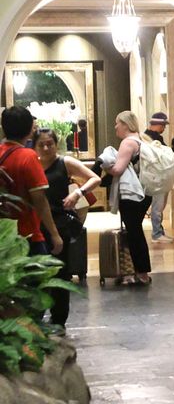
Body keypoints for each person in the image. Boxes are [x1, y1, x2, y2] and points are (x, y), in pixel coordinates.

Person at [32, 128, 100, 330]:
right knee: (36, 272)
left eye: (50, 144)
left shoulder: (64, 163)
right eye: (41, 144)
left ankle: (59, 319)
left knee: (61, 271)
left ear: (56, 144)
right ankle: (37, 317)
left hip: (59, 222)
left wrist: (77, 193)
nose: (46, 148)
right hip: (35, 224)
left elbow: (94, 178)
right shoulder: (32, 164)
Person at [0, 106, 63, 257]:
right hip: (26, 233)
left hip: (3, 234)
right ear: (30, 130)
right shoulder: (28, 156)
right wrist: (54, 234)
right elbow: (39, 199)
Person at [102, 110, 153, 285]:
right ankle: (138, 271)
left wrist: (104, 166)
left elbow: (117, 169)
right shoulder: (142, 140)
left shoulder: (127, 143)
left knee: (134, 233)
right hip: (145, 193)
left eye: (117, 123)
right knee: (135, 231)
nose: (115, 126)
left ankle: (141, 272)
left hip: (132, 194)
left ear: (125, 124)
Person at [145, 112, 173, 243]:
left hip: (154, 176)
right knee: (157, 206)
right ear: (158, 124)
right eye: (163, 125)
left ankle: (159, 231)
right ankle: (156, 233)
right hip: (156, 177)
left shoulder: (148, 136)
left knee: (158, 206)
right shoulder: (152, 139)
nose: (164, 128)